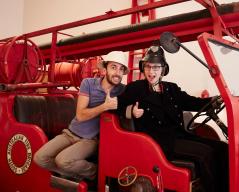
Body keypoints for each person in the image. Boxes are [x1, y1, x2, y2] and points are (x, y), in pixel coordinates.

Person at [117, 46, 228, 192]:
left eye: (156, 67)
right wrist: (130, 111)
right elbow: (115, 106)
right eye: (148, 67)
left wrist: (214, 100)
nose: (151, 72)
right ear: (143, 68)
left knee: (223, 147)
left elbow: (191, 102)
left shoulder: (172, 89)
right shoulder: (135, 88)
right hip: (159, 143)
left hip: (180, 136)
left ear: (163, 69)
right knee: (205, 154)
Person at [34, 51, 128, 181]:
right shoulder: (88, 83)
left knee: (62, 161)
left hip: (90, 140)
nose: (117, 72)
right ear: (105, 69)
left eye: (121, 69)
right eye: (113, 67)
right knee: (40, 158)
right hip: (70, 133)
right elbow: (81, 115)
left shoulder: (123, 90)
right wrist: (104, 106)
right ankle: (76, 174)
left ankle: (95, 173)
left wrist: (134, 111)